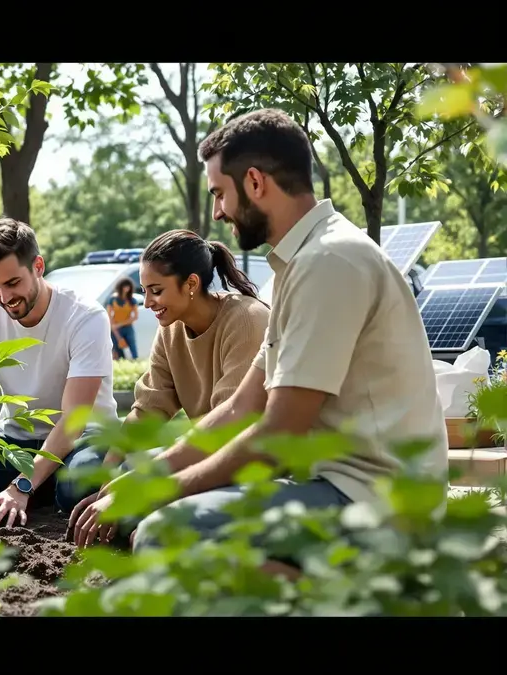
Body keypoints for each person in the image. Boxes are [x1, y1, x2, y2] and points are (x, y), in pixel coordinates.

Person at [68, 108, 448, 579]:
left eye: (219, 193)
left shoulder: (330, 262)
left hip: (376, 498)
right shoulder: (303, 263)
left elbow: (279, 432)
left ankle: (381, 597)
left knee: (165, 532)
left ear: (254, 182)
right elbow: (240, 409)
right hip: (331, 485)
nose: (217, 212)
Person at [63, 228, 271, 538]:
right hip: (201, 449)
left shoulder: (246, 321)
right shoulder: (171, 328)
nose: (147, 302)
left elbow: (230, 426)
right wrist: (108, 476)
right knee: (78, 484)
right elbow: (149, 409)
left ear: (191, 284)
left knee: (136, 508)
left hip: (240, 457)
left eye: (156, 290)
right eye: (144, 290)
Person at [0, 218, 117, 528]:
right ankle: (31, 497)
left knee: (77, 485)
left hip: (81, 442)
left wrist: (21, 485)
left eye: (13, 283)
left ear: (37, 266)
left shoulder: (85, 317)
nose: (4, 297)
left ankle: (32, 493)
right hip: (17, 443)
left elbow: (75, 420)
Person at [108, 278, 139, 360]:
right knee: (117, 349)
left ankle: (136, 364)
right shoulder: (112, 300)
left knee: (133, 348)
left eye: (128, 286)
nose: (126, 288)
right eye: (124, 286)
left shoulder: (132, 300)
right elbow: (109, 315)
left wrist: (119, 324)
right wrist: (114, 329)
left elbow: (135, 317)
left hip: (128, 327)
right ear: (120, 287)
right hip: (115, 328)